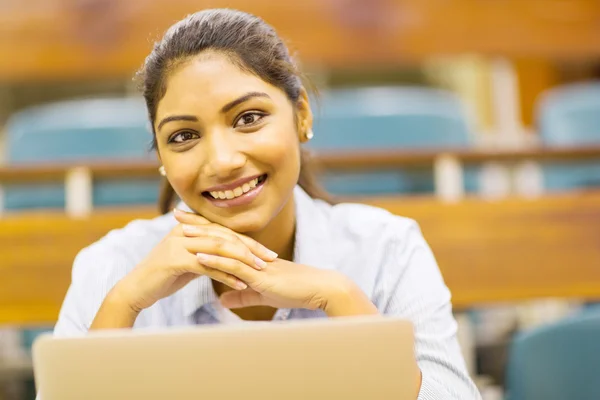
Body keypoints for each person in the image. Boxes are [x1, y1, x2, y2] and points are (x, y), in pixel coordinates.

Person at [53, 9, 480, 399]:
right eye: (183, 136)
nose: (222, 161)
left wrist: (342, 298)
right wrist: (122, 305)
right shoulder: (111, 265)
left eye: (248, 118)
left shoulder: (387, 249)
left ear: (302, 116)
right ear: (161, 158)